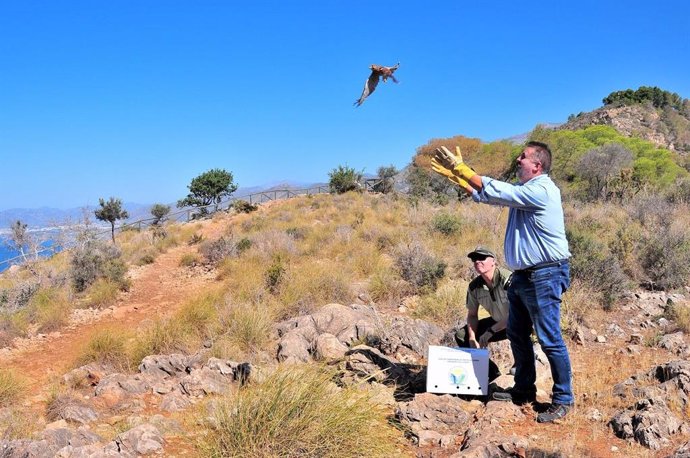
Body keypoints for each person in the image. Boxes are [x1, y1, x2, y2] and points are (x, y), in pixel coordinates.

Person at [432, 141, 573, 423]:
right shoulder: (525, 193)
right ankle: (523, 390)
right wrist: (459, 177)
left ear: (538, 165)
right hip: (524, 276)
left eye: (523, 157)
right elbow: (488, 196)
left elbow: (500, 190)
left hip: (545, 274)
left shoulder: (542, 189)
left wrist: (462, 168)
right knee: (518, 335)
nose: (517, 159)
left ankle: (563, 400)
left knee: (550, 339)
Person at [455, 246, 513, 381]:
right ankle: (492, 374)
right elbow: (472, 315)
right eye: (474, 259)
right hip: (498, 322)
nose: (477, 262)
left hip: (519, 323)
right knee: (461, 336)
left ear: (493, 261)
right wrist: (472, 338)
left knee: (517, 328)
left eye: (482, 258)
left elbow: (517, 313)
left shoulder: (508, 279)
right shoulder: (474, 287)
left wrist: (490, 331)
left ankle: (522, 366)